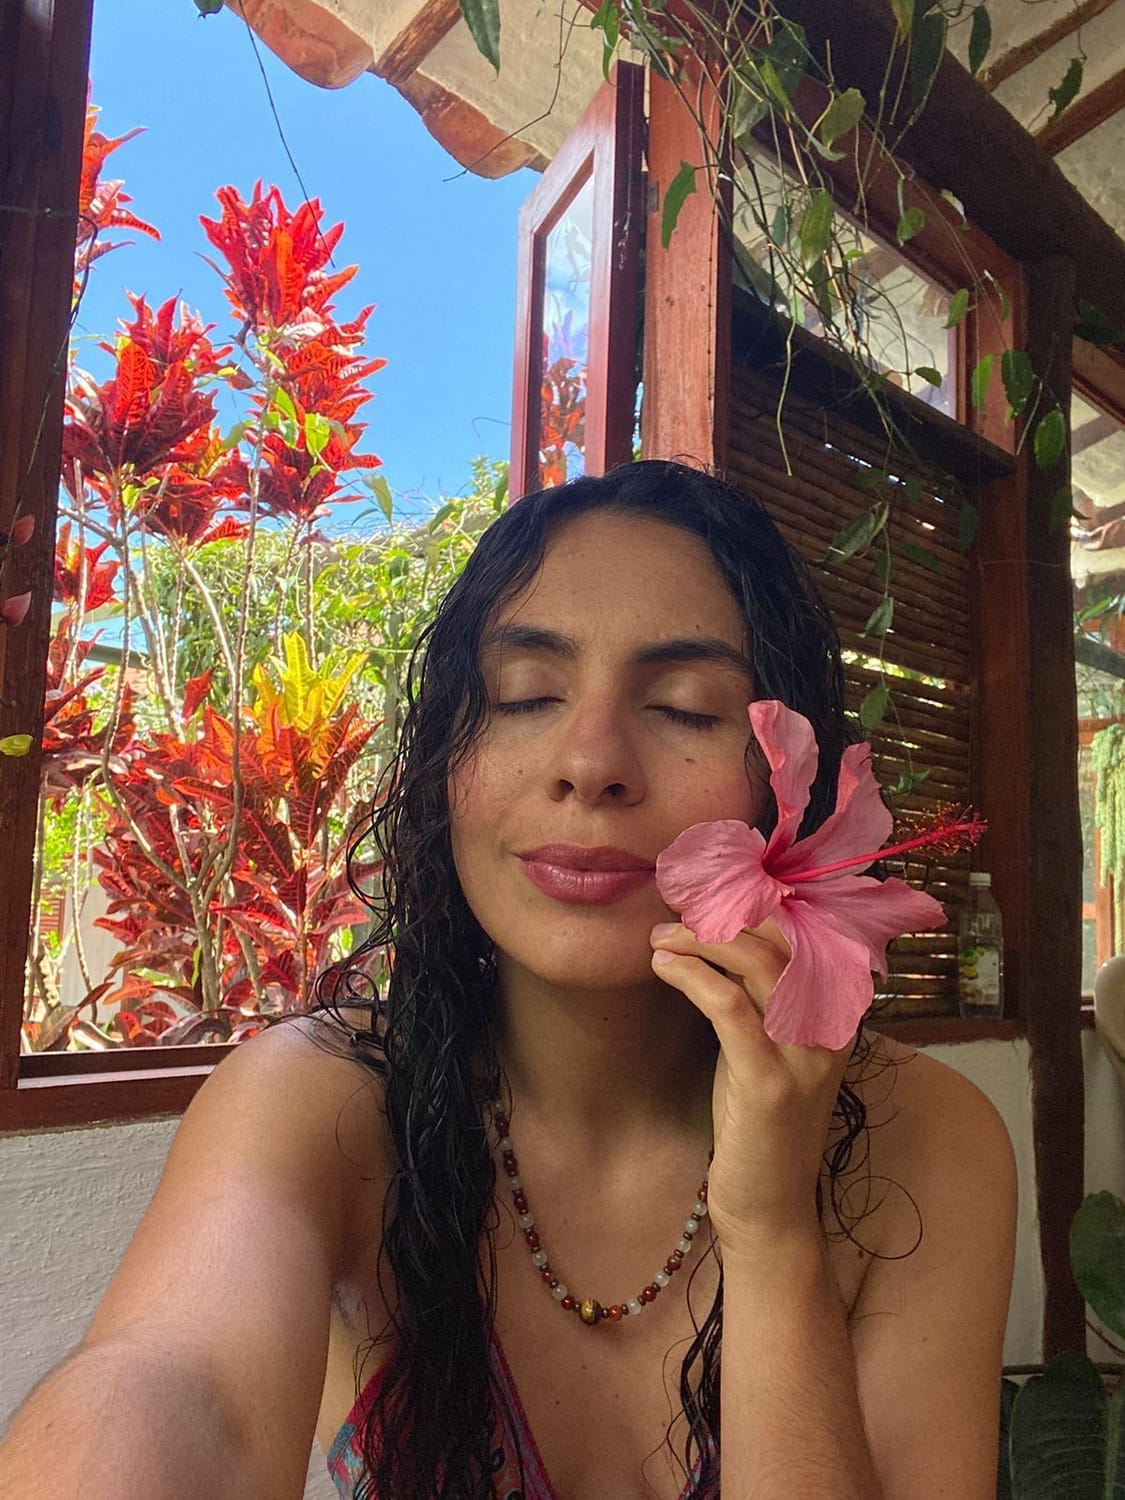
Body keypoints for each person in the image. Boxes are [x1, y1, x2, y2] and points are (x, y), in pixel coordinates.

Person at [0, 460, 1016, 1500]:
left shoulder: (929, 1143)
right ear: (446, 760)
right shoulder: (319, 1103)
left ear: (782, 789)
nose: (589, 761)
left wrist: (772, 1232)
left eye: (683, 708)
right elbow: (179, 1391)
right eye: (524, 696)